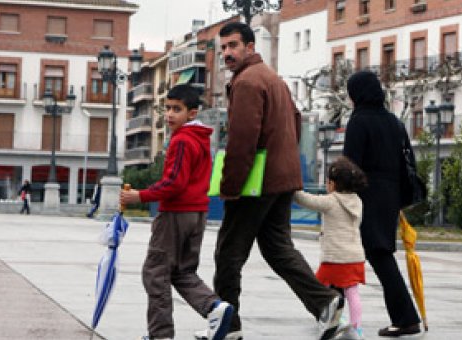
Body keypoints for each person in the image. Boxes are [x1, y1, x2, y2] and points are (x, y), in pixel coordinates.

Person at [208, 21, 344, 340]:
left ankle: (229, 325)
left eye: (233, 46)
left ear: (250, 47)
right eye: (223, 47)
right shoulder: (274, 79)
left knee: (228, 254)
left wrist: (230, 187)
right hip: (283, 177)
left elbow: (243, 140)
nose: (227, 52)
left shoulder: (246, 83)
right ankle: (325, 302)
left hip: (256, 182)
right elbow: (295, 121)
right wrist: (284, 160)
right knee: (278, 247)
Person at [120, 84, 234, 340]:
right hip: (197, 214)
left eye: (177, 109)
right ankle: (215, 307)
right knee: (183, 271)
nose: (170, 114)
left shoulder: (182, 140)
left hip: (175, 215)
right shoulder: (200, 139)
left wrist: (141, 195)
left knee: (156, 272)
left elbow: (174, 183)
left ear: (191, 113)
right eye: (167, 108)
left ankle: (160, 335)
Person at [342, 70, 422, 337]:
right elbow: (406, 161)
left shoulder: (359, 121)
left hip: (365, 195)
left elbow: (349, 166)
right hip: (391, 195)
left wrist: (340, 197)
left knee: (373, 254)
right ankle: (327, 307)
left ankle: (406, 318)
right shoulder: (392, 121)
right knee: (366, 252)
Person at [293, 156, 368, 340]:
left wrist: (292, 190)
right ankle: (357, 328)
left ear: (333, 184)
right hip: (355, 257)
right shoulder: (358, 202)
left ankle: (336, 320)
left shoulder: (331, 201)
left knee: (318, 287)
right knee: (352, 292)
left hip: (334, 258)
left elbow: (308, 201)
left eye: (328, 181)